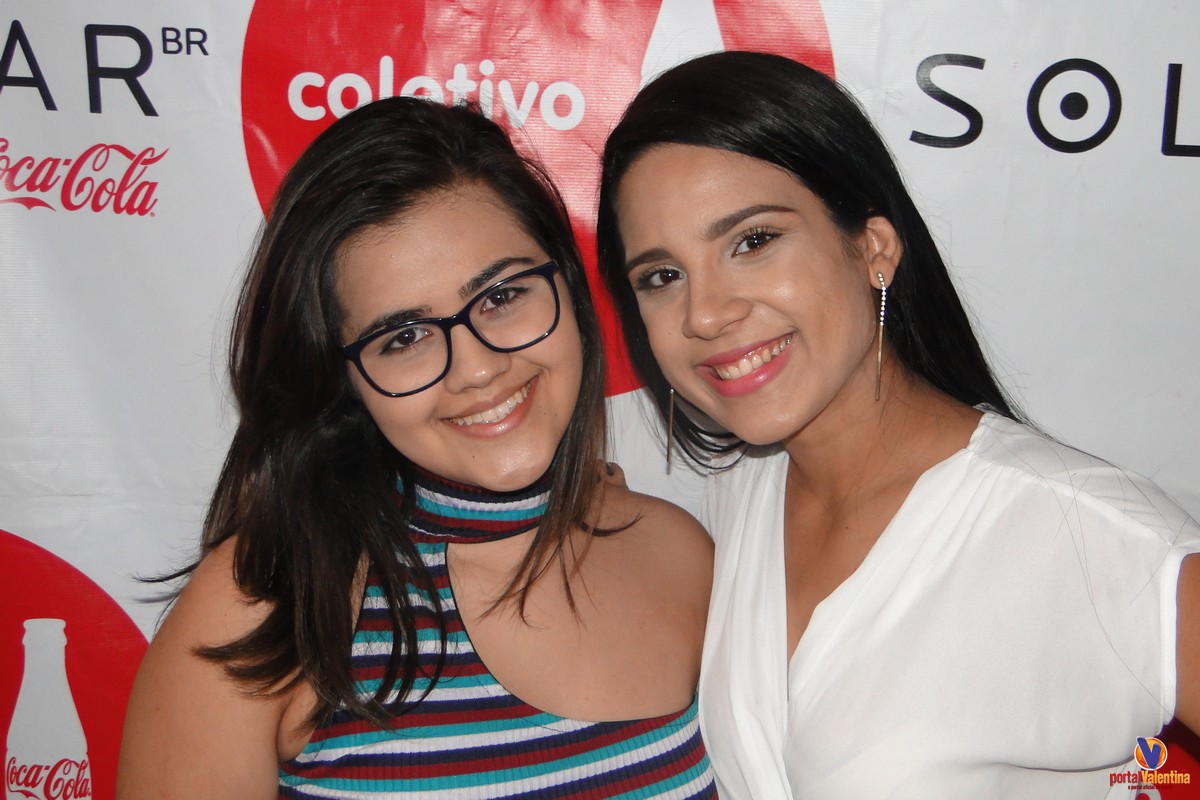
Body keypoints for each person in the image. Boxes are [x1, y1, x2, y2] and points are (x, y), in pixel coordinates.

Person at [596, 50, 1200, 799]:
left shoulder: (1087, 532)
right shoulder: (741, 490)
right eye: (662, 276)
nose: (706, 314)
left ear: (873, 248)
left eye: (752, 241)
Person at [116, 96, 716, 799]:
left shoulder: (680, 553)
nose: (477, 368)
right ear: (343, 379)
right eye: (403, 338)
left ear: (567, 286)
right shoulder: (270, 603)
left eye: (502, 296)